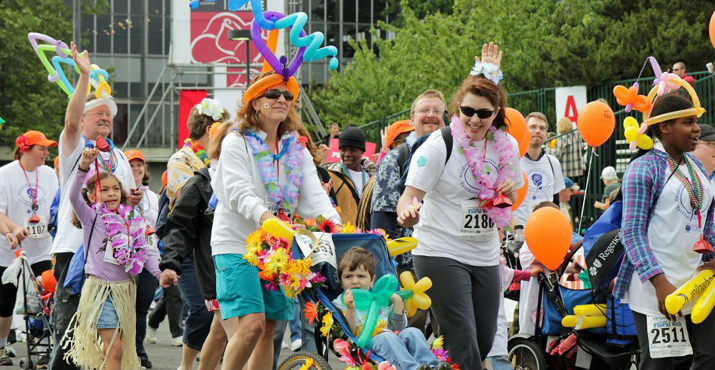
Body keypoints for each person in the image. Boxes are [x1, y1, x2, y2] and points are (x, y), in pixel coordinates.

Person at [209, 71, 340, 369]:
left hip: (278, 250)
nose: (282, 99)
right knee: (253, 324)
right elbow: (238, 193)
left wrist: (339, 228)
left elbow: (316, 199)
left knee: (269, 329)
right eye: (273, 94)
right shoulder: (236, 143)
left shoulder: (296, 149)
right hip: (236, 244)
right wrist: (268, 218)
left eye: (288, 95)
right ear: (255, 102)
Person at [397, 72, 522, 368]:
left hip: (485, 253)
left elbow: (511, 197)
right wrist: (407, 211)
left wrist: (509, 193)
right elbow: (409, 195)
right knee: (462, 341)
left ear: (496, 114)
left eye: (484, 113)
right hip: (440, 250)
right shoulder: (439, 145)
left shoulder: (507, 147)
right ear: (457, 109)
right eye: (468, 111)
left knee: (484, 340)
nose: (475, 120)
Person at [51, 41, 140, 370]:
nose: (105, 117)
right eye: (97, 113)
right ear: (85, 120)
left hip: (113, 261)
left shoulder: (118, 157)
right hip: (75, 252)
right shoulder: (75, 148)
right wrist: (84, 76)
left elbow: (131, 208)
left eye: (109, 114)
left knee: (113, 339)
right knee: (73, 336)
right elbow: (71, 123)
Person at [617, 92, 715, 369]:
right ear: (664, 127)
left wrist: (712, 257)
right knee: (662, 365)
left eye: (696, 122)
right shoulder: (643, 168)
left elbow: (707, 220)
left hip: (698, 281)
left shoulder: (695, 165)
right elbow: (631, 232)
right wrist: (659, 283)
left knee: (709, 356)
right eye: (688, 122)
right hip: (655, 288)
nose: (696, 129)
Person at [62, 148, 161, 370]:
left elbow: (144, 251)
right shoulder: (91, 218)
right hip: (101, 291)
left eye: (116, 189)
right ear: (92, 196)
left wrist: (160, 274)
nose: (112, 193)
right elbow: (72, 196)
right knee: (114, 347)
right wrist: (83, 168)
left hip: (125, 292)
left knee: (119, 349)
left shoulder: (132, 219)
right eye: (104, 190)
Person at [165, 98, 229, 366]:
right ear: (211, 129)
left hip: (225, 250)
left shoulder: (234, 161)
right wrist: (171, 262)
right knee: (212, 317)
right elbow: (182, 211)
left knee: (221, 323)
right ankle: (186, 363)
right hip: (194, 250)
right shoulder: (182, 160)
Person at [0, 131, 58, 366]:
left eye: (47, 148)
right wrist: (12, 231)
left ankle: (43, 346)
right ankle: (2, 347)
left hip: (42, 248)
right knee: (5, 302)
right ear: (25, 149)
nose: (46, 153)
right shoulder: (5, 174)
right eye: (41, 148)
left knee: (45, 299)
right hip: (9, 250)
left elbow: (55, 206)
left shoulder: (49, 174)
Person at [333, 247, 444, 370]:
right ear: (341, 282)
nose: (355, 281)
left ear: (372, 281)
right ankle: (412, 368)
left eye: (361, 276)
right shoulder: (341, 302)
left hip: (392, 337)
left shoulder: (380, 299)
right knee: (387, 337)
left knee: (413, 332)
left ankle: (432, 366)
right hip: (369, 342)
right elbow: (351, 333)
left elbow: (398, 328)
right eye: (348, 276)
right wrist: (350, 308)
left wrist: (397, 302)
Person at [124, 149, 160, 369]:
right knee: (123, 308)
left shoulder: (153, 197)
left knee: (141, 309)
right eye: (131, 165)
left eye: (140, 165)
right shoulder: (118, 192)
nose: (136, 169)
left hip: (150, 256)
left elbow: (158, 227)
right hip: (125, 259)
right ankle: (122, 349)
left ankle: (138, 349)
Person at [513, 112, 565, 225]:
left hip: (546, 229)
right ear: (524, 131)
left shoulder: (553, 163)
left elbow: (556, 202)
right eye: (532, 127)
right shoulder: (513, 161)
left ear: (546, 135)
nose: (537, 131)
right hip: (519, 232)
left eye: (542, 128)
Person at [323, 126, 377, 224]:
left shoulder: (372, 176)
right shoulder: (331, 175)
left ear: (362, 151)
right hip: (343, 235)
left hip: (368, 235)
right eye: (343, 150)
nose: (347, 154)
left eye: (353, 150)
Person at [554, 116, 584, 184]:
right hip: (577, 170)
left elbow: (556, 156)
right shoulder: (578, 135)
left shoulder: (560, 138)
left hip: (565, 171)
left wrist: (550, 149)